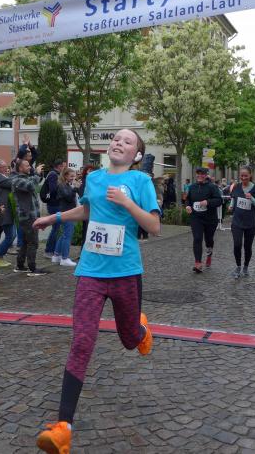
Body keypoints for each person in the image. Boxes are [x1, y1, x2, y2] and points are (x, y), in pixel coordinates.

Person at [32, 128, 160, 454]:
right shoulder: (95, 178)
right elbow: (88, 210)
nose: (119, 142)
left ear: (136, 155)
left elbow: (154, 226)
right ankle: (63, 428)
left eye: (127, 141)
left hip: (126, 272)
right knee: (82, 341)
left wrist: (127, 203)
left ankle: (140, 330)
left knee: (129, 339)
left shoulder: (141, 181)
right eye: (116, 138)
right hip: (90, 272)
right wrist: (54, 218)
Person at [185, 167, 224, 273]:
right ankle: (198, 263)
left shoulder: (212, 187)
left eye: (202, 174)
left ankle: (209, 253)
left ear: (206, 175)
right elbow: (188, 199)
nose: (200, 176)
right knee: (197, 238)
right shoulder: (192, 187)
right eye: (198, 174)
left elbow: (219, 200)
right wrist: (187, 206)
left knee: (208, 239)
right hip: (196, 217)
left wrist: (208, 202)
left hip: (210, 219)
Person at [12, 160, 47, 276]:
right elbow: (31, 186)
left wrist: (39, 174)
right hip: (27, 216)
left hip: (31, 216)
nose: (29, 167)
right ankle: (32, 268)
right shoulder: (16, 180)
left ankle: (20, 265)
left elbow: (36, 181)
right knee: (33, 242)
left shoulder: (26, 178)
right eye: (27, 166)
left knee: (26, 242)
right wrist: (36, 173)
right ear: (20, 168)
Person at [228, 165, 255, 278]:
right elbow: (233, 198)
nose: (243, 178)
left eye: (246, 176)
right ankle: (238, 267)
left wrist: (251, 198)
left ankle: (246, 266)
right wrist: (231, 205)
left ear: (250, 175)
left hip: (250, 223)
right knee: (237, 244)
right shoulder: (236, 187)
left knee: (247, 246)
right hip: (237, 222)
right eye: (242, 176)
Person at [0, 160, 15, 268]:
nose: (7, 168)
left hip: (4, 210)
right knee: (11, 235)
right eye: (4, 166)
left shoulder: (1, 177)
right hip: (2, 211)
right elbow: (13, 183)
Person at [52, 167, 78, 267]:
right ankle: (64, 258)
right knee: (68, 235)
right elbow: (68, 197)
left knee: (64, 234)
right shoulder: (62, 185)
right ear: (65, 176)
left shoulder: (66, 185)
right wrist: (75, 188)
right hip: (67, 212)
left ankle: (56, 255)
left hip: (66, 211)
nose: (73, 178)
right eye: (71, 176)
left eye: (74, 176)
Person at [42, 159, 66, 260]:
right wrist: (63, 187)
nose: (64, 168)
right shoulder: (53, 174)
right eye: (63, 166)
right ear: (59, 166)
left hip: (56, 204)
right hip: (54, 204)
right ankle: (48, 250)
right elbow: (53, 189)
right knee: (56, 228)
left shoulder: (56, 174)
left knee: (57, 228)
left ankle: (54, 249)